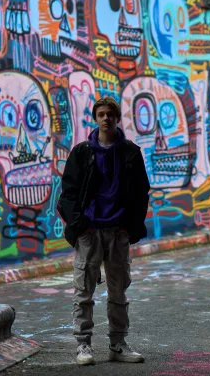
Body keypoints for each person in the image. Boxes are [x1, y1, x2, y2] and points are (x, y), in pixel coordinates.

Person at [57, 97, 150, 366]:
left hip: (118, 231)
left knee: (119, 291)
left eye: (111, 114)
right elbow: (69, 194)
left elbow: (141, 192)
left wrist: (130, 227)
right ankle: (83, 346)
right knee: (84, 291)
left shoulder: (131, 152)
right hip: (90, 231)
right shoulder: (82, 152)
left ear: (117, 118)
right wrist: (80, 227)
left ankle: (117, 345)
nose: (106, 118)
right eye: (101, 114)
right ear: (95, 118)